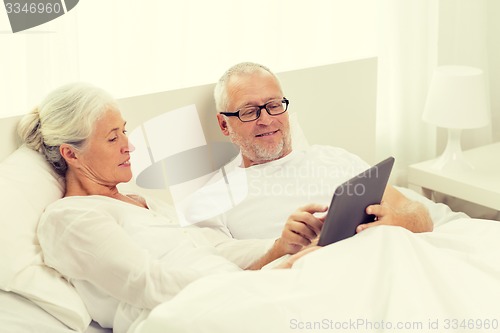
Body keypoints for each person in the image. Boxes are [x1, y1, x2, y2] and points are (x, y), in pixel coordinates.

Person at [17, 82, 318, 333]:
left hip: (233, 296)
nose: (129, 146)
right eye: (112, 138)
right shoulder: (70, 218)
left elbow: (213, 250)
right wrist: (257, 282)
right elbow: (147, 283)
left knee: (342, 256)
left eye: (124, 131)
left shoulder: (142, 203)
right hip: (186, 317)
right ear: (71, 153)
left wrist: (281, 246)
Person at [181, 62, 433, 242]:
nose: (267, 120)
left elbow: (418, 214)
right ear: (224, 124)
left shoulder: (335, 159)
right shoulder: (212, 199)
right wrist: (281, 248)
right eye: (249, 111)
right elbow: (218, 274)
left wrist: (397, 221)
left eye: (274, 105)